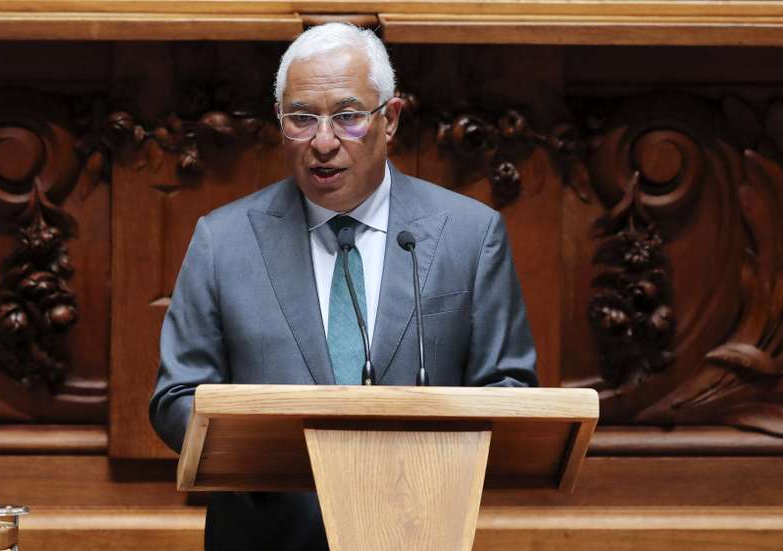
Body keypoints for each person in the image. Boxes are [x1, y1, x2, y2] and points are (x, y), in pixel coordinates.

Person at [150, 22, 537, 551]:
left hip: (417, 533)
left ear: (391, 119)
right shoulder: (223, 240)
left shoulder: (469, 236)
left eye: (349, 117)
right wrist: (268, 451)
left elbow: (510, 389)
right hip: (268, 535)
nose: (324, 142)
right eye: (302, 119)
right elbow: (176, 397)